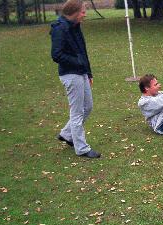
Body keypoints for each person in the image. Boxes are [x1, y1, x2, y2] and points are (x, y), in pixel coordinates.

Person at [50, 0, 100, 158]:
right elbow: (56, 55)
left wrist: (88, 72)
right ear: (74, 12)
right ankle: (82, 148)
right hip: (70, 74)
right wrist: (77, 62)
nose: (85, 14)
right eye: (83, 12)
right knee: (77, 112)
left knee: (88, 107)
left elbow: (82, 51)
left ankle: (66, 134)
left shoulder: (75, 25)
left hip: (82, 73)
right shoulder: (60, 28)